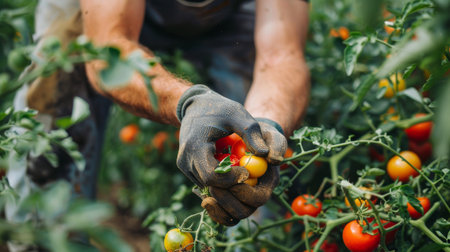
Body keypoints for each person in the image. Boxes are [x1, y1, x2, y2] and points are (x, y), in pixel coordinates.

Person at [10, 0, 310, 235]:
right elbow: (107, 50)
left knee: (253, 151)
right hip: (99, 14)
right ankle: (45, 233)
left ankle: (253, 240)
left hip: (228, 15)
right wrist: (188, 102)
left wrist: (264, 127)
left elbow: (283, 56)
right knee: (59, 77)